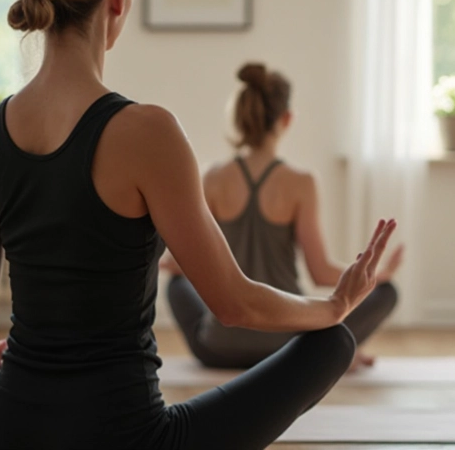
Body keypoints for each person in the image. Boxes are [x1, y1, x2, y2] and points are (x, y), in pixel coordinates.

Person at [0, 0, 398, 450]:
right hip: (133, 440)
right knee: (332, 343)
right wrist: (334, 306)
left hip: (9, 437)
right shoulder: (148, 131)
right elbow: (235, 304)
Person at [164, 64, 402, 370]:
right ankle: (338, 352)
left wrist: (163, 261)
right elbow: (321, 272)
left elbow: (182, 262)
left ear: (240, 117)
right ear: (287, 119)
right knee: (387, 293)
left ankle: (338, 351)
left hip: (220, 348)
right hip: (288, 346)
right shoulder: (301, 183)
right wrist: (378, 275)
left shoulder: (213, 178)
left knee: (176, 285)